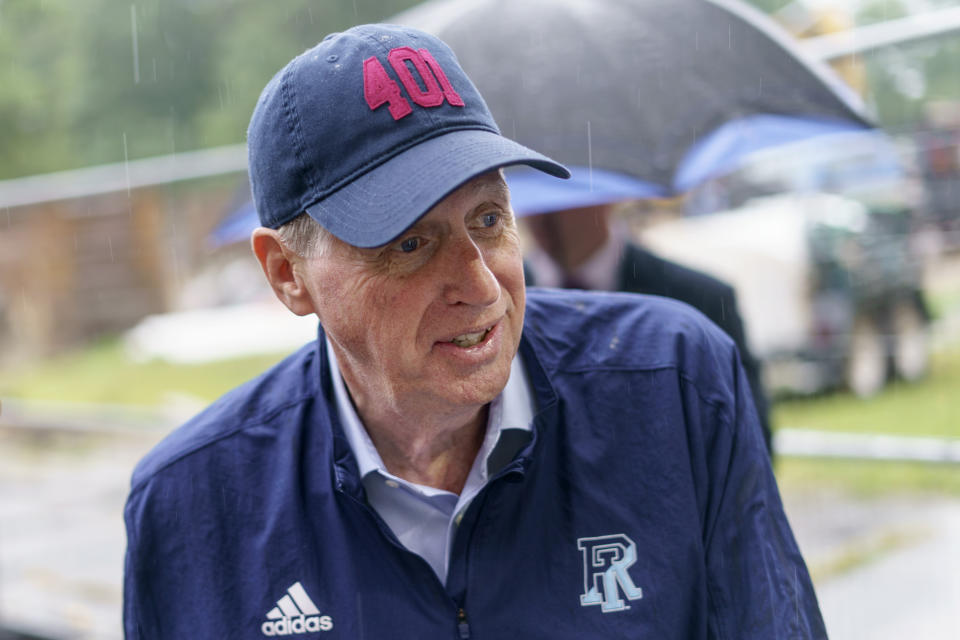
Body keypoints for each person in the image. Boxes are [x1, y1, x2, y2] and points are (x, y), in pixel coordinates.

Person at [123, 24, 826, 639]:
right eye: (409, 245)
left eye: (488, 220)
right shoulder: (194, 505)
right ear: (286, 274)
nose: (482, 285)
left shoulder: (675, 385)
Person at [522, 199, 773, 453]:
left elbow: (748, 438)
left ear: (606, 198)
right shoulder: (501, 301)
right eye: (536, 195)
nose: (541, 215)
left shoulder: (697, 299)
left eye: (561, 198)